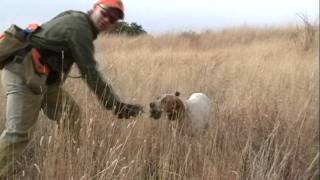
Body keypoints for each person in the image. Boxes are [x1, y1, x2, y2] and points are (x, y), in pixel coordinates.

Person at [0, 0, 143, 176]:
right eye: (105, 13)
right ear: (95, 8)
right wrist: (115, 105)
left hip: (43, 79)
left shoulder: (76, 18)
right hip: (24, 74)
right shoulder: (79, 28)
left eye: (113, 19)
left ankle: (67, 161)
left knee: (71, 115)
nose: (107, 19)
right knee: (18, 134)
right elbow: (90, 72)